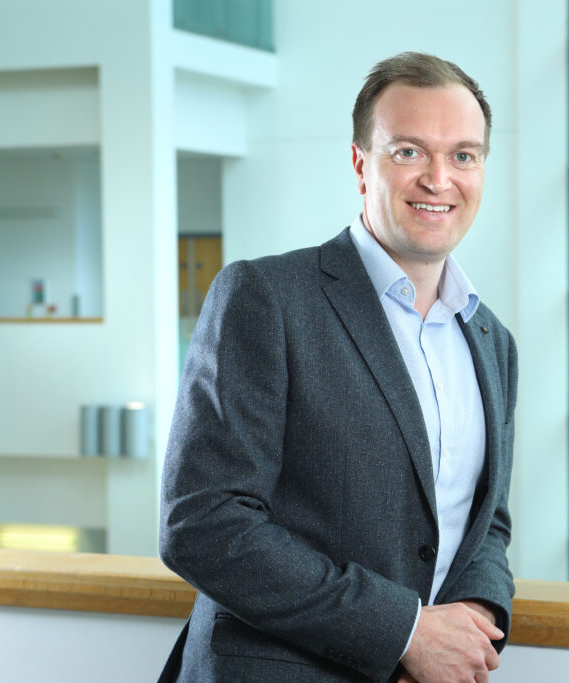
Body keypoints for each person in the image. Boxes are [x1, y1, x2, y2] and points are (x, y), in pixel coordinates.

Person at [159, 51, 517, 683]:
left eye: (463, 155)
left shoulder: (493, 341)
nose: (439, 179)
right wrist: (403, 632)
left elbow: (487, 523)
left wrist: (472, 618)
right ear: (360, 164)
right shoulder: (267, 297)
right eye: (408, 151)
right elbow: (203, 521)